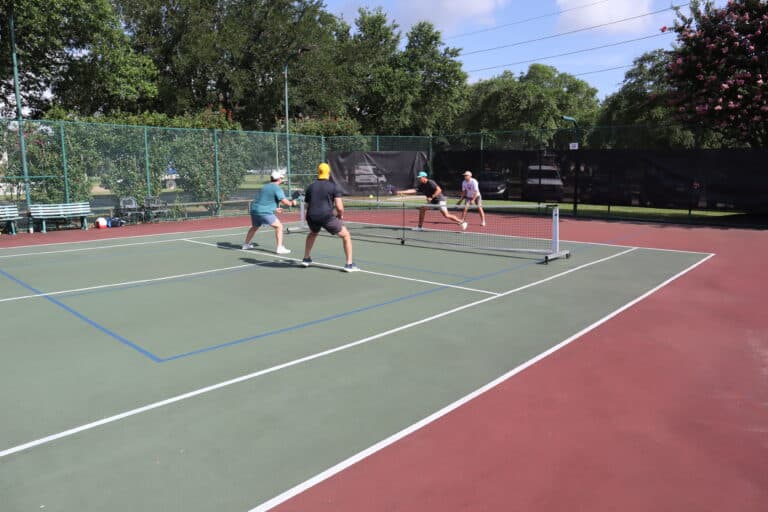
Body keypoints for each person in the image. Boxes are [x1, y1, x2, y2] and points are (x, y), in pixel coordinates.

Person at [301, 162, 359, 272]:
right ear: (328, 173)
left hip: (311, 216)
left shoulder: (310, 187)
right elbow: (340, 207)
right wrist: (340, 215)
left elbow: (307, 205)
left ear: (318, 173)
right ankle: (349, 265)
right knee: (346, 235)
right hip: (326, 217)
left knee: (313, 233)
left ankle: (306, 258)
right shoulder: (333, 187)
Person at [242, 170, 297, 254]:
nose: (282, 180)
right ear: (278, 179)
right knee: (279, 227)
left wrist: (274, 209)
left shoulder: (265, 186)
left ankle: (246, 245)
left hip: (254, 210)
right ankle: (280, 248)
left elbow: (264, 200)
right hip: (264, 212)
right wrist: (292, 203)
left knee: (254, 227)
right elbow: (285, 202)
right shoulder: (277, 188)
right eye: (281, 178)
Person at [399, 171, 468, 231]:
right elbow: (414, 190)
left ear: (424, 177)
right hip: (433, 201)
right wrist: (402, 192)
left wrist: (432, 197)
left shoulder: (430, 182)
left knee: (446, 215)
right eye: (418, 178)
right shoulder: (422, 185)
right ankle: (419, 227)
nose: (419, 179)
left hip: (440, 200)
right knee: (422, 209)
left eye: (420, 177)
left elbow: (439, 190)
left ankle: (462, 222)